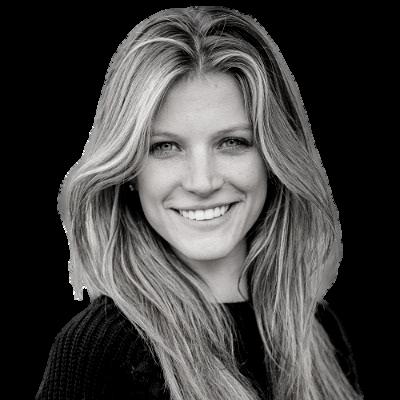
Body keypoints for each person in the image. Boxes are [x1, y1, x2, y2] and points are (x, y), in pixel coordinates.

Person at [36, 6, 364, 400]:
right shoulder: (98, 349)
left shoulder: (320, 330)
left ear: (274, 159)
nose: (202, 182)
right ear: (128, 172)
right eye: (164, 146)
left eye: (232, 142)